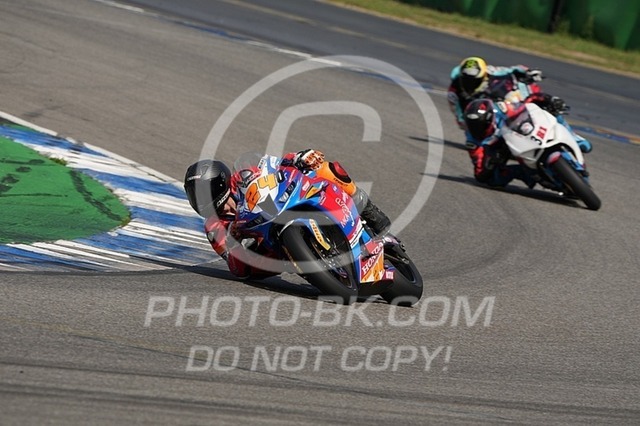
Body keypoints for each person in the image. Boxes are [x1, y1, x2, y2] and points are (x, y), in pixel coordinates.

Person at [184, 150, 391, 279]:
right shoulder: (214, 227)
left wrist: (298, 157)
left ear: (218, 183)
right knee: (246, 268)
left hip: (282, 205)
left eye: (200, 193)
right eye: (193, 195)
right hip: (268, 248)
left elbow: (274, 166)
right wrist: (235, 240)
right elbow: (237, 267)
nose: (198, 200)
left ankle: (368, 209)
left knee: (325, 168)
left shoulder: (243, 175)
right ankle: (304, 258)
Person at [448, 56, 592, 154]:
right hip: (487, 114)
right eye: (466, 79)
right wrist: (474, 122)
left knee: (546, 105)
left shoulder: (491, 71)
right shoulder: (454, 92)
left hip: (509, 101)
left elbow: (513, 70)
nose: (469, 83)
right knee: (478, 140)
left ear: (483, 75)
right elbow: (460, 118)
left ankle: (574, 137)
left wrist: (528, 72)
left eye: (474, 80)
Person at [462, 98, 537, 188]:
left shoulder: (502, 109)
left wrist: (540, 98)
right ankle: (524, 173)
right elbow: (479, 169)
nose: (476, 128)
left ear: (489, 117)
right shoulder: (471, 141)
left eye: (479, 124)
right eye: (471, 124)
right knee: (488, 178)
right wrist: (491, 163)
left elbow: (523, 106)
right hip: (498, 149)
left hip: (519, 133)